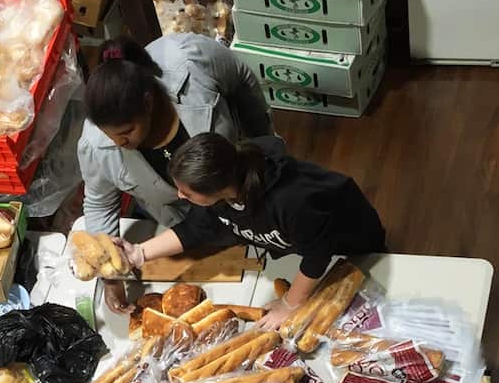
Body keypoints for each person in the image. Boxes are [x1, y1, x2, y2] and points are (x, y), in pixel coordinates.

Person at [78, 34, 279, 313]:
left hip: (249, 191)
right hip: (188, 229)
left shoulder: (189, 60)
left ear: (148, 103)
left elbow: (241, 78)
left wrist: (262, 142)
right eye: (108, 134)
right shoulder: (94, 145)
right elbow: (100, 203)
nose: (118, 143)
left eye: (127, 132)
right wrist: (111, 277)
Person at [122, 132, 386, 331]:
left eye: (187, 192)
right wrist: (139, 253)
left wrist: (290, 304)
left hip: (351, 242)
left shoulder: (290, 200)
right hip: (308, 250)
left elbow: (317, 254)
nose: (180, 196)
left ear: (215, 188)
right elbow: (194, 229)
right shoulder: (223, 194)